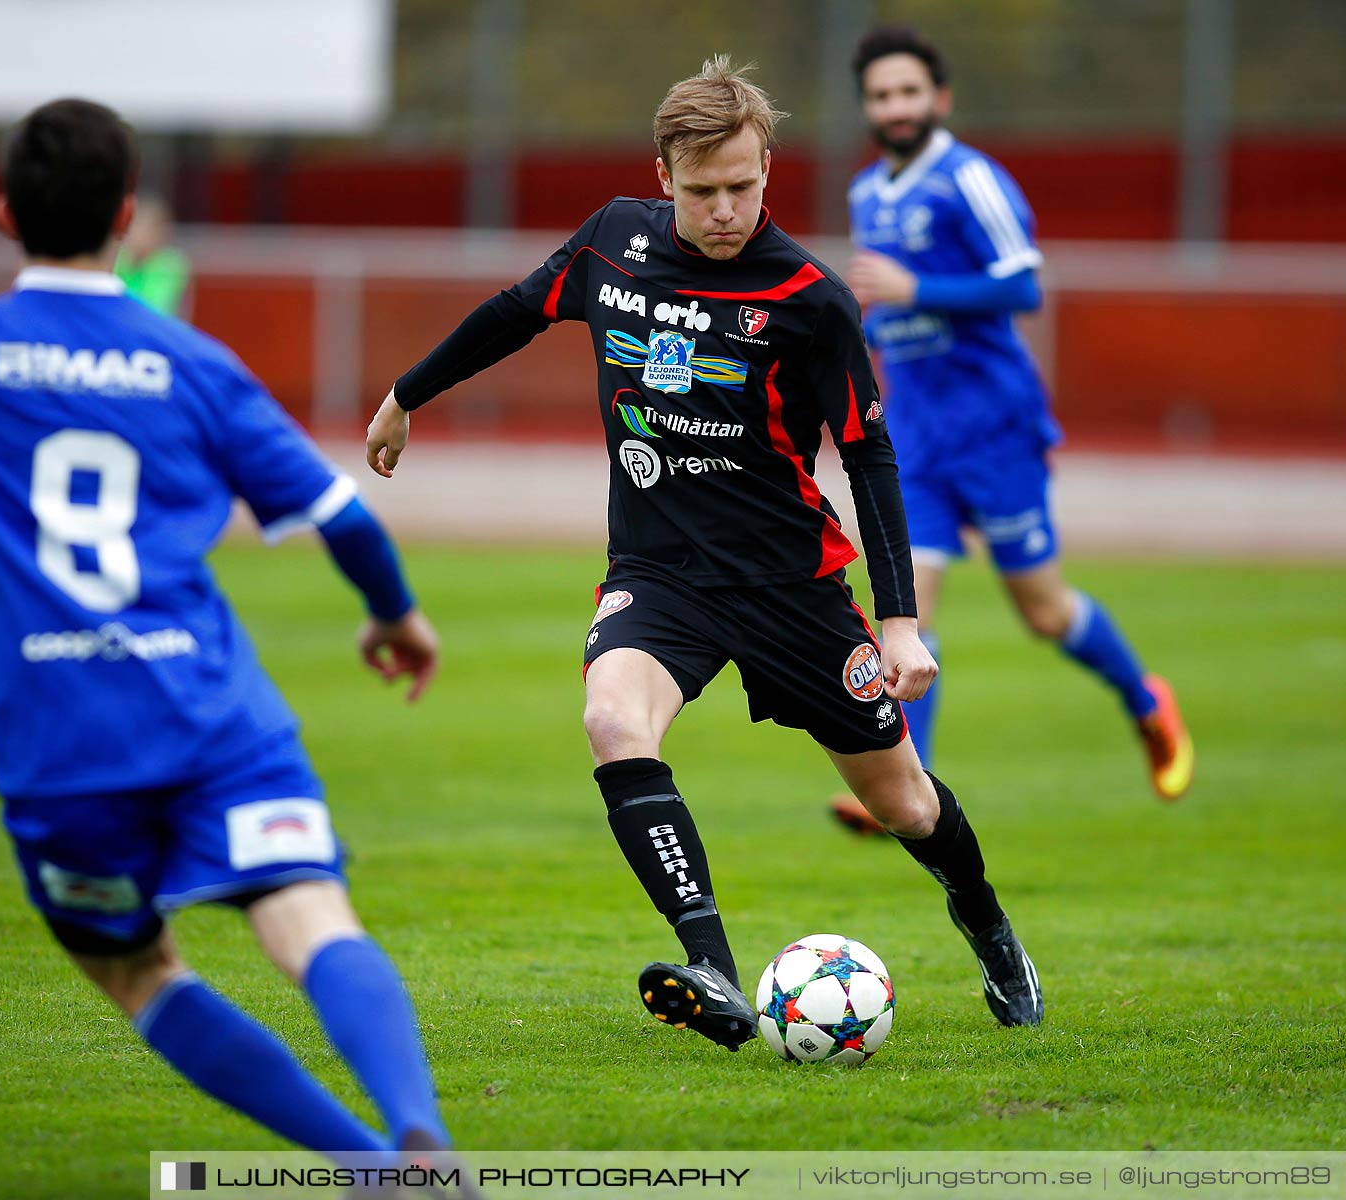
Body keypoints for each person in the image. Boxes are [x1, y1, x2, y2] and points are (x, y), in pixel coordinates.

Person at [366, 56, 1042, 1046]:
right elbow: (516, 311)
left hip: (792, 588)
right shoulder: (613, 242)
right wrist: (406, 395)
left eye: (744, 186)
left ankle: (988, 928)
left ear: (767, 167)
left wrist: (898, 620)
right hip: (660, 574)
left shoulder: (811, 300)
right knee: (611, 721)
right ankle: (713, 972)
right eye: (702, 191)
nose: (725, 210)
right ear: (663, 173)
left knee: (901, 798)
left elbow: (868, 452)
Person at [0, 99, 452, 1158]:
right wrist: (396, 616)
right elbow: (342, 515)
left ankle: (364, 1173)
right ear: (128, 215)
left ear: (0, 214)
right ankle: (419, 1138)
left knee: (138, 972)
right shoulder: (190, 362)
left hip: (61, 748)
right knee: (312, 919)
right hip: (209, 711)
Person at [828, 28, 1194, 836]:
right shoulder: (867, 194)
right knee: (907, 616)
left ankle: (1145, 699)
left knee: (1045, 612)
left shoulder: (972, 180)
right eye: (881, 96)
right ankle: (904, 787)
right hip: (916, 440)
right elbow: (888, 307)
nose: (895, 108)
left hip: (993, 428)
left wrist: (912, 287)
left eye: (908, 93)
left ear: (939, 99)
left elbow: (1024, 283)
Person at [114, 194, 191, 317]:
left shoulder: (170, 265)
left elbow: (158, 306)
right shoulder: (116, 259)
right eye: (135, 227)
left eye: (145, 229)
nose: (138, 236)